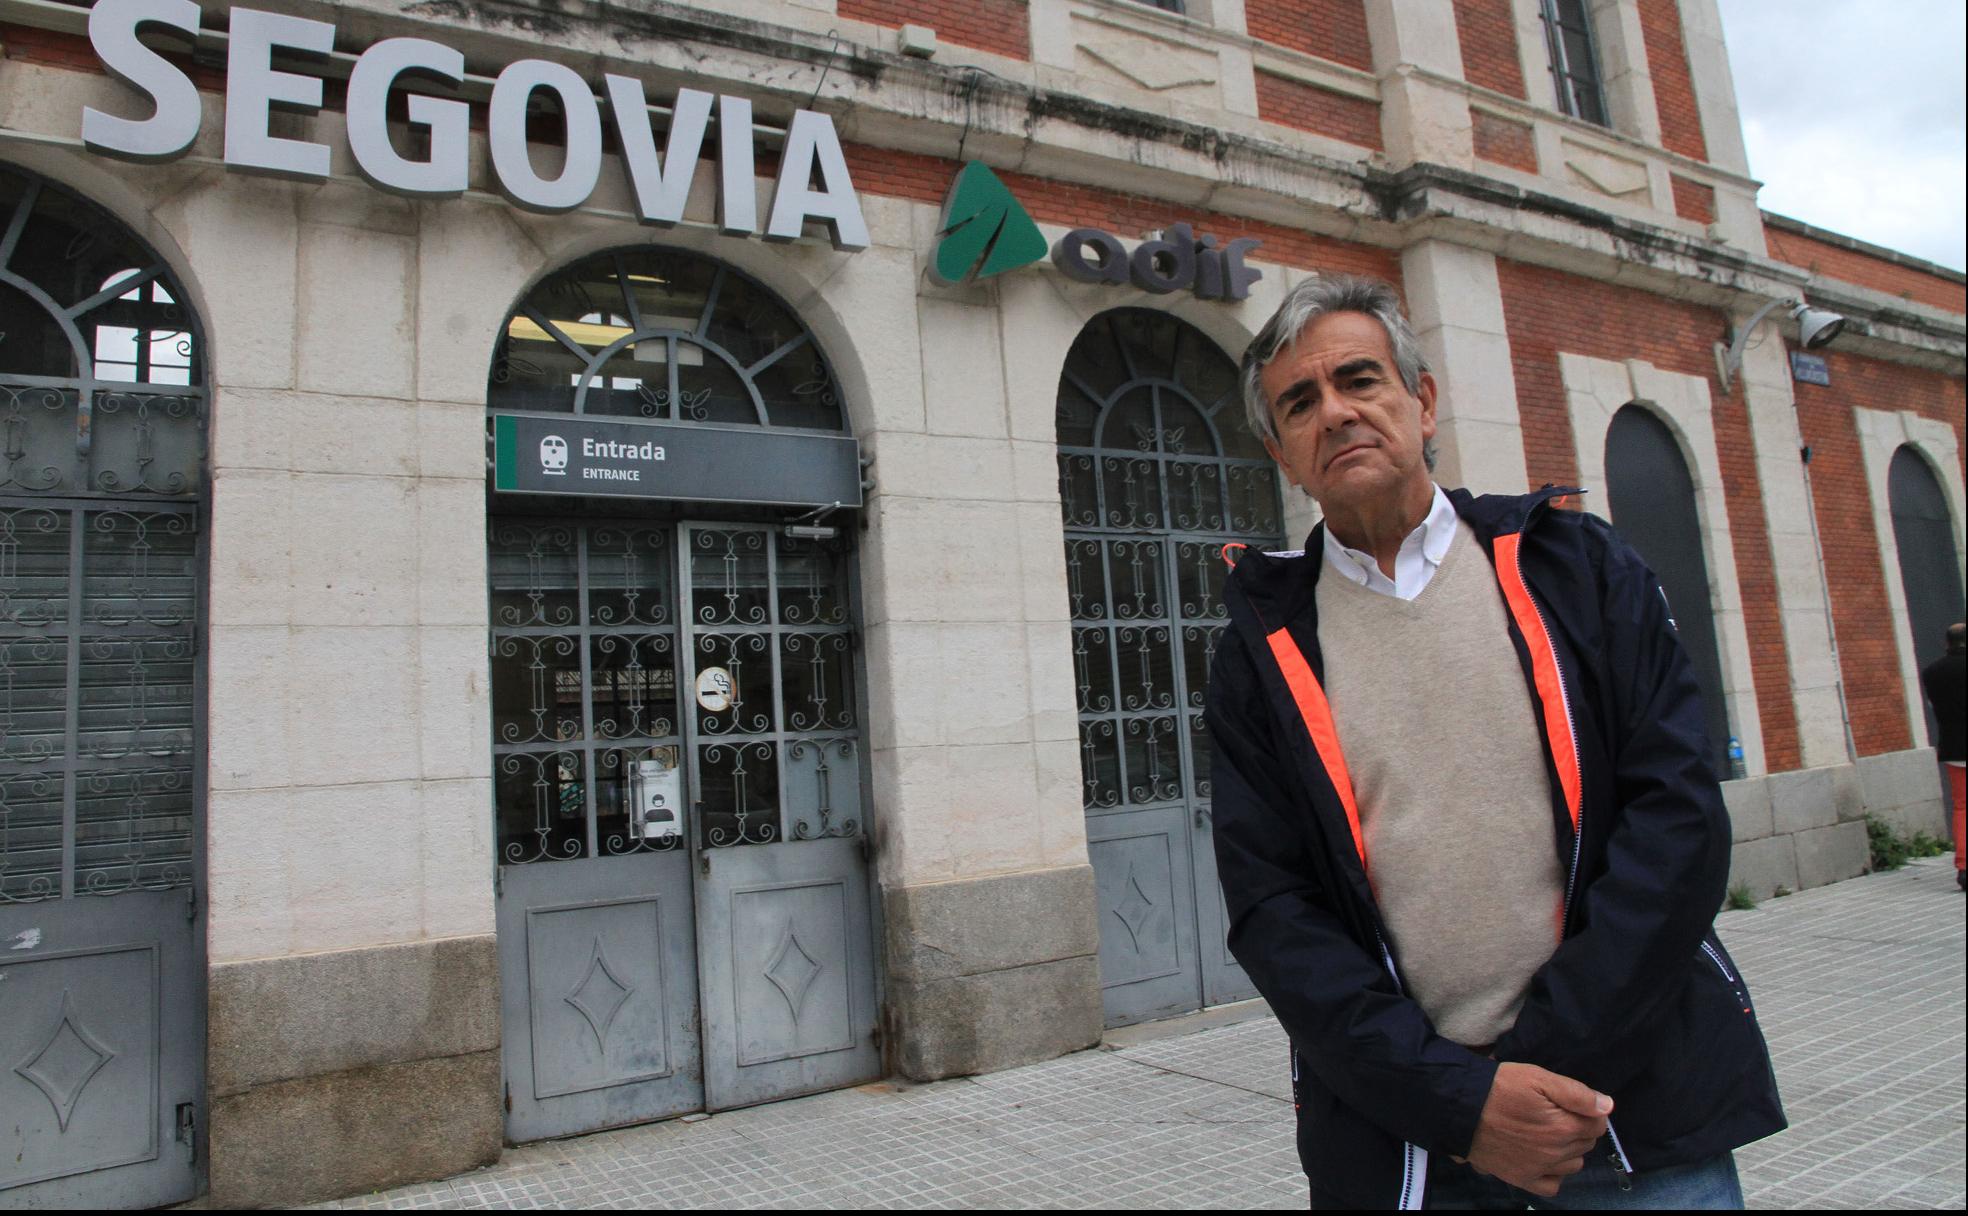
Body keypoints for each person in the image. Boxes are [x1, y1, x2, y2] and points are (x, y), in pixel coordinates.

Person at [1204, 274, 1785, 1210]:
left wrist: (1536, 1075)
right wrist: (1461, 1104)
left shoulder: (1575, 566)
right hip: (1416, 1144)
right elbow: (1274, 911)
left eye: (1362, 379)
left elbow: (1676, 824)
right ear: (1280, 451)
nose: (1338, 412)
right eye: (1300, 402)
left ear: (1423, 401)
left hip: (1631, 1119)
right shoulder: (1260, 652)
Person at [1919, 621, 1966, 892]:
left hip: (1954, 748)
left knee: (1961, 807)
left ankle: (1964, 867)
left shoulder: (1931, 672)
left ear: (1947, 643)